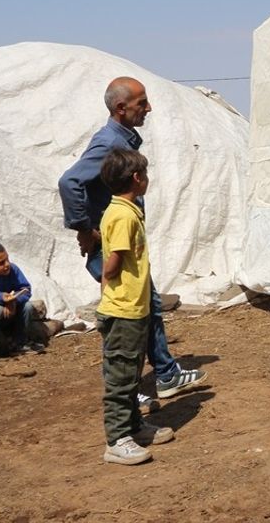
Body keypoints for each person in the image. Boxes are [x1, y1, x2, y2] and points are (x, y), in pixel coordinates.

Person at [58, 77, 207, 408]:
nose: (148, 108)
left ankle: (165, 373)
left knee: (148, 308)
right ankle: (125, 389)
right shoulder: (109, 142)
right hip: (112, 246)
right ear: (121, 108)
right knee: (123, 319)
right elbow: (69, 182)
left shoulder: (122, 139)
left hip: (125, 244)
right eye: (142, 103)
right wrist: (85, 229)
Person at [96, 148, 174, 465]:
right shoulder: (123, 215)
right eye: (146, 175)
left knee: (132, 375)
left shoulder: (127, 210)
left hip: (134, 309)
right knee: (120, 380)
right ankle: (117, 440)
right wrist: (109, 278)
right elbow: (113, 261)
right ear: (137, 178)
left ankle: (134, 426)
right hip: (122, 310)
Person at [0, 241, 46, 364]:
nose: (7, 265)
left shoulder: (13, 269)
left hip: (10, 313)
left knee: (27, 306)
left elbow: (25, 289)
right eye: (1, 263)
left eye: (7, 259)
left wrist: (14, 301)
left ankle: (19, 343)